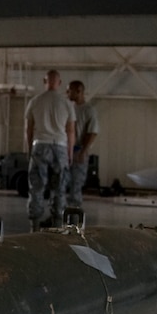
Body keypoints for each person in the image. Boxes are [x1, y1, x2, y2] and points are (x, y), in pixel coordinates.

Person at [24, 69, 73, 230]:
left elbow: (29, 129)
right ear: (59, 83)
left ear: (44, 82)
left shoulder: (35, 101)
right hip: (60, 146)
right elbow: (71, 131)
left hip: (40, 145)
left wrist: (30, 150)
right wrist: (70, 152)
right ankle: (57, 222)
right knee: (59, 188)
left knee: (37, 187)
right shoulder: (66, 103)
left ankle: (35, 224)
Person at [64, 79, 99, 220]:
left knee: (75, 187)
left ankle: (73, 219)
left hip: (78, 151)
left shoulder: (88, 110)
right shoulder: (68, 107)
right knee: (61, 185)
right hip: (65, 151)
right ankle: (61, 216)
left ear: (78, 91)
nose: (67, 93)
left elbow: (92, 132)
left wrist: (83, 151)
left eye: (69, 90)